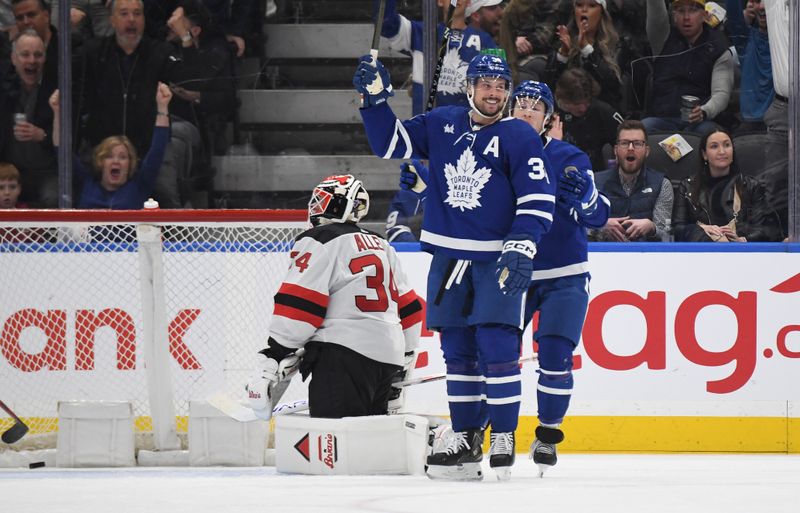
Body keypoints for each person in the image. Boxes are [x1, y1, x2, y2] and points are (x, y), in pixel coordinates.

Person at [354, 52, 556, 481]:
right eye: (486, 83)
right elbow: (389, 145)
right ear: (469, 87)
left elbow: (538, 199)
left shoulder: (519, 135)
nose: (494, 92)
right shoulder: (442, 122)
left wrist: (522, 244)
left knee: (498, 347)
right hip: (447, 257)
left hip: (495, 258)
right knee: (459, 353)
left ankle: (503, 432)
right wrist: (374, 102)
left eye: (501, 85)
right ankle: (466, 437)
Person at [245, 174, 423, 420]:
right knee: (372, 443)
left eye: (321, 200)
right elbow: (411, 309)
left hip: (343, 356)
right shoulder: (381, 244)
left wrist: (276, 352)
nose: (315, 207)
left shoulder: (320, 239)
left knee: (336, 445)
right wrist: (404, 358)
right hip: (387, 357)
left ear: (338, 205)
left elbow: (301, 304)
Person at [505, 80, 608, 476]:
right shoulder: (493, 151)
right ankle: (497, 431)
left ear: (549, 118)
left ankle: (548, 434)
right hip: (512, 267)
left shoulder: (570, 156)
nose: (528, 109)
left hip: (565, 273)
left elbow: (597, 216)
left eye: (537, 105)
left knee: (555, 356)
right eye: (522, 103)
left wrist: (586, 198)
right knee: (497, 357)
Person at [76, 0, 181, 207]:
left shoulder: (160, 52)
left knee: (167, 194)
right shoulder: (93, 53)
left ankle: (174, 238)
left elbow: (184, 82)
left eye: (137, 13)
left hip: (149, 145)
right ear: (112, 20)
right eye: (124, 13)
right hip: (105, 149)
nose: (131, 19)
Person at [50, 83, 172, 209]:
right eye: (109, 156)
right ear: (100, 161)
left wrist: (162, 108)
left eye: (123, 157)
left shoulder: (140, 185)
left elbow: (157, 150)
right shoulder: (85, 182)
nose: (116, 161)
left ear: (130, 164)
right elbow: (62, 151)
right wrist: (57, 112)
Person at [375, 0, 498, 115]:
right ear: (439, 1)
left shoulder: (484, 42)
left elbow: (495, 85)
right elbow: (386, 22)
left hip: (466, 131)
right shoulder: (420, 32)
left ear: (469, 2)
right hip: (425, 129)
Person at [672, 126, 782, 242]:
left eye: (727, 145)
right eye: (714, 146)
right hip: (702, 253)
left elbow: (769, 230)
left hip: (742, 254)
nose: (722, 151)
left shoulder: (751, 186)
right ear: (704, 154)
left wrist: (743, 240)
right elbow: (677, 229)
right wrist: (701, 229)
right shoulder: (687, 186)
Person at [641, 0, 734, 133]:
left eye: (693, 10)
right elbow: (655, 8)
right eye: (681, 11)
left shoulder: (719, 47)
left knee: (708, 133)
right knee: (644, 128)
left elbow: (721, 94)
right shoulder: (662, 38)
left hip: (702, 121)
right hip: (663, 119)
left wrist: (704, 111)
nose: (686, 17)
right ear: (674, 16)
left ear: (704, 15)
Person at [0, 29, 57, 207]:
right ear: (14, 58)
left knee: (53, 196)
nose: (32, 61)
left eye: (38, 55)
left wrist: (42, 135)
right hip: (10, 170)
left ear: (45, 58)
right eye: (25, 55)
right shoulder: (4, 89)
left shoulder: (55, 88)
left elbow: (72, 137)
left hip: (47, 171)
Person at [593, 119, 674, 242]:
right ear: (615, 150)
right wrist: (600, 225)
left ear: (647, 151)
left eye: (637, 143)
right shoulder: (594, 182)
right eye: (625, 143)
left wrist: (651, 226)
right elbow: (579, 225)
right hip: (606, 254)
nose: (631, 148)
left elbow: (666, 233)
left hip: (646, 255)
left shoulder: (662, 184)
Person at [543, 0, 622, 109]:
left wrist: (586, 49)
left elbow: (613, 86)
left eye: (592, 5)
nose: (584, 10)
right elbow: (548, 85)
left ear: (602, 13)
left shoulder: (616, 44)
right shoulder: (562, 41)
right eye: (579, 5)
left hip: (601, 112)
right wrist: (563, 55)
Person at [555, 67, 622, 173]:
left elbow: (626, 139)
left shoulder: (602, 112)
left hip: (595, 176)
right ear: (563, 99)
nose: (583, 109)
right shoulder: (549, 113)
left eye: (587, 102)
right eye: (576, 104)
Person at [726, 0, 772, 133]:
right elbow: (732, 7)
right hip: (748, 124)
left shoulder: (790, 42)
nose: (763, 7)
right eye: (758, 1)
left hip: (781, 123)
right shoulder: (745, 40)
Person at [386, 160, 426, 243]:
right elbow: (396, 230)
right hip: (415, 253)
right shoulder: (405, 194)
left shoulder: (451, 191)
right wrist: (415, 249)